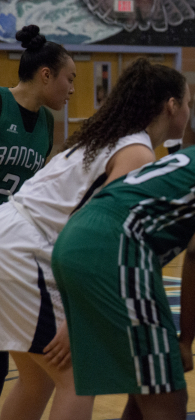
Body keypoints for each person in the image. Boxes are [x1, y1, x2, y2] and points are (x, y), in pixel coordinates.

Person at [51, 67, 195, 418]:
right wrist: (186, 340)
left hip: (79, 238)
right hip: (113, 244)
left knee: (146, 389)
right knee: (168, 394)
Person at [0, 58, 189, 420]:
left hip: (12, 239)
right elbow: (106, 237)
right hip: (25, 249)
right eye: (188, 103)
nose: (189, 112)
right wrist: (77, 320)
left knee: (38, 378)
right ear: (171, 105)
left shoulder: (106, 137)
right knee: (78, 374)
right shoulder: (136, 152)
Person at [0, 24, 74, 399]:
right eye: (69, 79)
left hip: (10, 245)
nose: (72, 89)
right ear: (46, 75)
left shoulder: (47, 122)